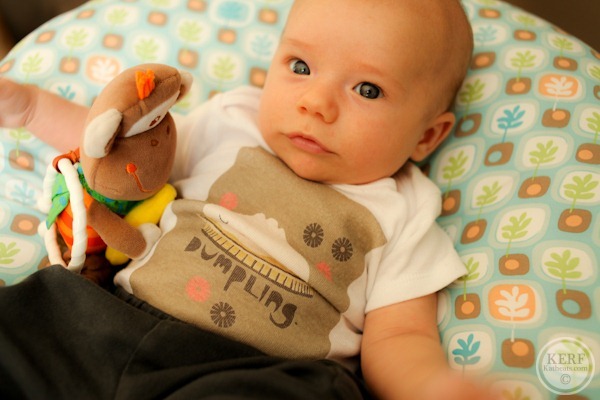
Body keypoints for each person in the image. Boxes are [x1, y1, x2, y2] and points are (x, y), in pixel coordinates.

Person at [0, 0, 491, 399]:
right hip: (111, 315)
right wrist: (32, 109)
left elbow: (401, 337)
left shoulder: (405, 209)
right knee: (31, 319)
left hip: (252, 373)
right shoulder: (233, 120)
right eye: (301, 66)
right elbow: (122, 154)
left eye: (367, 89)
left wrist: (430, 388)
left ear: (427, 136)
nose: (315, 103)